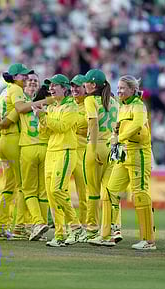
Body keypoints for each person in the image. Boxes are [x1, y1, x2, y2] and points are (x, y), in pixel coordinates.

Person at [33, 74, 85, 247]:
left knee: (57, 190)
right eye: (50, 86)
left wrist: (44, 117)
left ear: (65, 88)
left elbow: (62, 127)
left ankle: (76, 227)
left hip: (66, 151)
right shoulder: (53, 107)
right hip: (51, 151)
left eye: (55, 86)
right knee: (51, 195)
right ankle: (60, 234)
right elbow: (45, 133)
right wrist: (41, 118)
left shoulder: (71, 107)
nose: (51, 89)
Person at [106, 75, 155, 250]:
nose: (118, 91)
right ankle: (109, 232)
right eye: (117, 88)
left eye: (122, 88)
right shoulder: (122, 107)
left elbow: (137, 126)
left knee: (140, 194)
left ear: (133, 89)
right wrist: (116, 132)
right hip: (124, 154)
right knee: (111, 189)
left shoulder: (139, 106)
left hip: (139, 153)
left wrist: (120, 137)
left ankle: (148, 240)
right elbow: (120, 126)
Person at [81, 69, 122, 246]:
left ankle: (91, 229)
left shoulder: (90, 100)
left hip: (96, 146)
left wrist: (93, 147)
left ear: (93, 85)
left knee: (93, 192)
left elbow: (93, 122)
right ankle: (114, 227)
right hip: (113, 147)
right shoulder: (113, 101)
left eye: (86, 82)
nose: (84, 85)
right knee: (110, 191)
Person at [0, 63, 32, 240]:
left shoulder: (4, 90)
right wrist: (44, 102)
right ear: (15, 77)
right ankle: (20, 227)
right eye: (23, 75)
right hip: (14, 140)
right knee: (23, 185)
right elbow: (21, 109)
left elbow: (6, 117)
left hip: (3, 142)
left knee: (9, 187)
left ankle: (1, 227)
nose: (26, 78)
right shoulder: (16, 89)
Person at [19, 72, 50, 241]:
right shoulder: (47, 100)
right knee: (42, 191)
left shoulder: (20, 99)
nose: (32, 83)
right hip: (44, 148)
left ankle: (37, 223)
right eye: (30, 80)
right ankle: (40, 225)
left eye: (34, 81)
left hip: (30, 148)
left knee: (30, 190)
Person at [68, 74, 88, 240]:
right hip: (66, 150)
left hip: (83, 151)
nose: (74, 89)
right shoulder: (68, 104)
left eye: (78, 86)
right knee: (58, 189)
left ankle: (86, 225)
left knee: (84, 192)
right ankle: (70, 225)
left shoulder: (89, 105)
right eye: (72, 86)